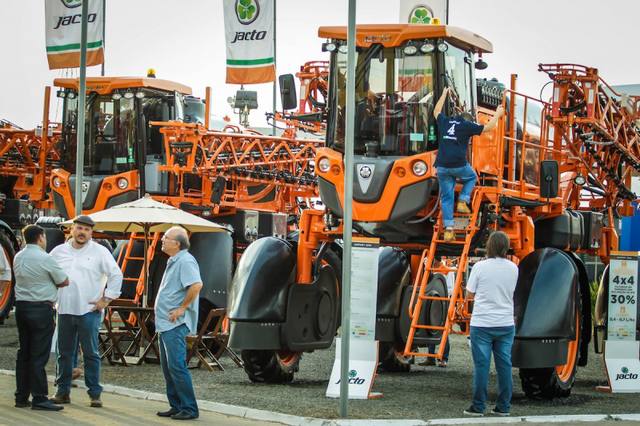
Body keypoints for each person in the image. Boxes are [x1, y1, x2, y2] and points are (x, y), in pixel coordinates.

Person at [50, 215, 123, 408]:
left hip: (89, 310)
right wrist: (50, 298)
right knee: (63, 354)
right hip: (64, 309)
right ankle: (62, 392)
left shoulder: (100, 251)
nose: (83, 232)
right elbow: (46, 272)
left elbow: (116, 274)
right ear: (72, 229)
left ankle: (94, 394)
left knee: (91, 353)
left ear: (91, 232)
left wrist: (106, 300)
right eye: (79, 228)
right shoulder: (58, 251)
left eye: (87, 229)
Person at [433, 87, 505, 241]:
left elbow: (436, 110)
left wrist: (444, 93)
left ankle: (449, 229)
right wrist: (498, 114)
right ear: (468, 120)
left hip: (442, 167)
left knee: (446, 197)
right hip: (458, 165)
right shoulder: (467, 125)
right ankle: (463, 200)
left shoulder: (446, 122)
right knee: (472, 177)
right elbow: (488, 128)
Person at [13, 225, 68, 411]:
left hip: (21, 308)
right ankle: (40, 398)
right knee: (38, 355)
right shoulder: (46, 258)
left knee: (24, 354)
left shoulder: (18, 256)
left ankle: (21, 396)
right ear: (41, 237)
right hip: (41, 309)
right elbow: (63, 281)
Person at [463, 231, 518, 417]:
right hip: (506, 323)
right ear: (506, 247)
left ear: (489, 246)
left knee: (482, 366)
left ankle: (478, 407)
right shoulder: (513, 268)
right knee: (504, 366)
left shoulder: (480, 267)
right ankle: (503, 407)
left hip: (482, 324)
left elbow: (469, 294)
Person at [155, 226, 203, 421]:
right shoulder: (175, 260)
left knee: (176, 366)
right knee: (169, 368)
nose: (162, 240)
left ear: (176, 243)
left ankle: (189, 408)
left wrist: (182, 307)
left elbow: (196, 285)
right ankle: (176, 406)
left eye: (165, 237)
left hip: (175, 323)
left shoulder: (185, 260)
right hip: (166, 323)